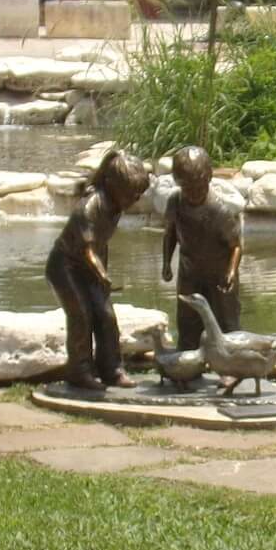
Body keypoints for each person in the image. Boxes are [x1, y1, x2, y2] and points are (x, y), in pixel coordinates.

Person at [45, 149, 150, 390]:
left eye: (138, 193)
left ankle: (112, 370)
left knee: (106, 316)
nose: (135, 199)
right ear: (112, 184)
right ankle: (79, 371)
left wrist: (102, 275)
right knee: (81, 316)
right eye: (131, 193)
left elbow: (99, 246)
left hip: (92, 264)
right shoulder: (90, 206)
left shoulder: (115, 203)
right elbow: (87, 249)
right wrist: (103, 275)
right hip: (66, 266)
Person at [160, 146, 242, 350]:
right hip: (190, 272)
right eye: (188, 189)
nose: (194, 194)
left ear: (208, 180)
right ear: (179, 184)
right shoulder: (175, 203)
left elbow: (236, 246)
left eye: (199, 188)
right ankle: (189, 360)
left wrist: (231, 272)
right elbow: (170, 233)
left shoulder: (219, 210)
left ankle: (229, 362)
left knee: (226, 320)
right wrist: (166, 263)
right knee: (188, 319)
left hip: (219, 274)